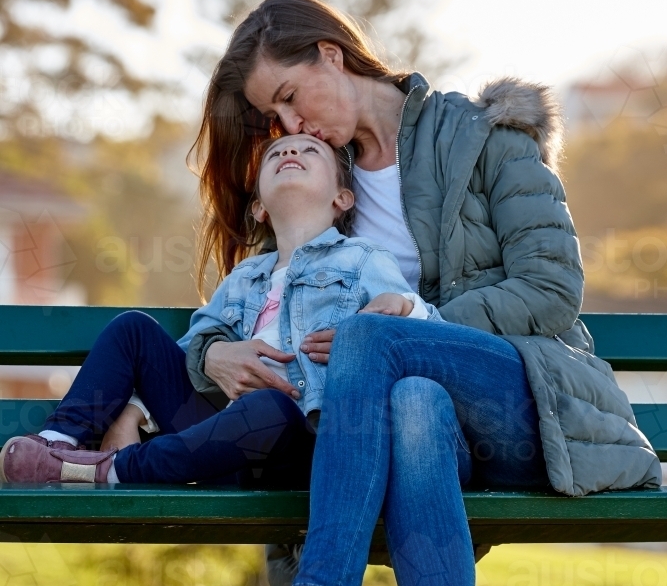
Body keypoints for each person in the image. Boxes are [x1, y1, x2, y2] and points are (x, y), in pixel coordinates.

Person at [169, 0, 661, 586]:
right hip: (415, 433)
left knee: (378, 340)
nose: (288, 124)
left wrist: (420, 321)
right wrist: (209, 355)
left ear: (330, 54)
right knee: (415, 401)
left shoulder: (482, 133)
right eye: (272, 119)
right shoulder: (317, 180)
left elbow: (549, 288)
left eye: (287, 96)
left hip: (521, 403)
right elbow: (252, 307)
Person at [0, 133, 439, 496]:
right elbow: (191, 353)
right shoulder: (244, 277)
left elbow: (437, 337)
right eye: (276, 153)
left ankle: (114, 470)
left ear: (342, 198)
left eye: (310, 151)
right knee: (133, 329)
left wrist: (405, 307)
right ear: (260, 208)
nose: (290, 152)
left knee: (268, 406)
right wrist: (132, 410)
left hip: (298, 443)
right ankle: (55, 446)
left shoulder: (363, 259)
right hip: (216, 441)